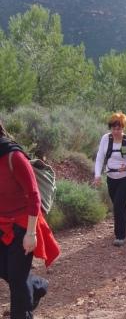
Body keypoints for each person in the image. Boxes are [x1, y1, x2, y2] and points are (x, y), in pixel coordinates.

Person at [0, 120, 60, 319]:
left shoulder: (14, 156)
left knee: (17, 280)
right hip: (1, 222)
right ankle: (36, 285)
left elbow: (34, 196)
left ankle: (23, 314)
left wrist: (31, 234)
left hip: (23, 224)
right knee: (7, 271)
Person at [94, 112, 126, 247]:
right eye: (114, 128)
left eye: (119, 128)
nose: (116, 131)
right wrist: (97, 175)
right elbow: (100, 157)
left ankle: (120, 235)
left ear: (123, 128)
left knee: (118, 206)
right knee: (119, 204)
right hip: (111, 177)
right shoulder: (106, 139)